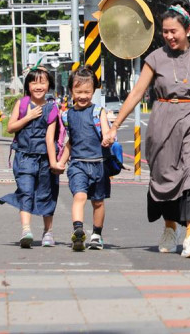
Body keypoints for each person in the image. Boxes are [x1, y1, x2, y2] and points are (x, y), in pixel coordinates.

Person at [106, 2, 190, 258]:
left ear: (188, 29)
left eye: (173, 31)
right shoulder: (155, 58)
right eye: (165, 31)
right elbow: (136, 93)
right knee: (167, 178)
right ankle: (169, 228)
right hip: (164, 121)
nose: (168, 36)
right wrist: (115, 126)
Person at [0, 67, 61, 248]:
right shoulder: (22, 104)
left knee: (46, 194)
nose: (38, 86)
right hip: (24, 157)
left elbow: (50, 139)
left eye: (42, 82)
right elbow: (11, 128)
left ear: (49, 85)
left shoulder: (51, 108)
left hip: (44, 159)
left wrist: (53, 163)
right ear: (28, 85)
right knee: (26, 191)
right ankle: (26, 230)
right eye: (34, 82)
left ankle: (48, 232)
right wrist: (28, 116)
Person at [59, 65, 111, 251]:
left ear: (94, 91)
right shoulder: (67, 115)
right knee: (79, 196)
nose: (82, 96)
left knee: (98, 202)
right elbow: (70, 142)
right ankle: (78, 231)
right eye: (78, 91)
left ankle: (96, 234)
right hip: (78, 165)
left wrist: (107, 138)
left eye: (87, 92)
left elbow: (106, 131)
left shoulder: (98, 112)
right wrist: (61, 162)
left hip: (99, 164)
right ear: (71, 90)